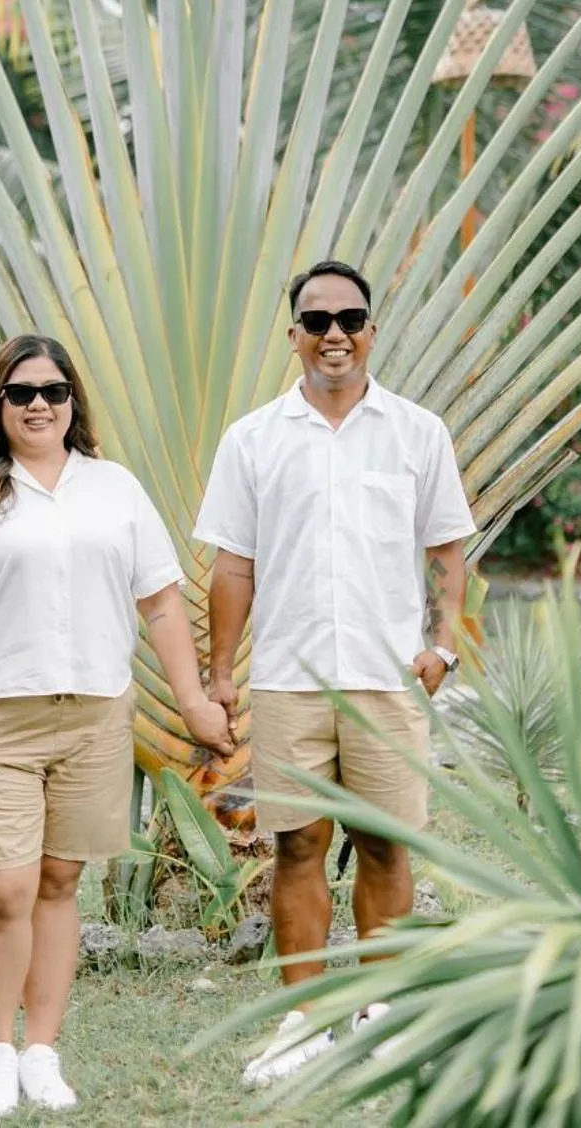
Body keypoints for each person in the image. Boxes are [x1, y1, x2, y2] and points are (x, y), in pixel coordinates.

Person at [0, 333, 233, 1120]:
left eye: (53, 390)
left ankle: (42, 1051)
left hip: (93, 716)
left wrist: (190, 703)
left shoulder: (112, 488)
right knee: (3, 892)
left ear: (73, 401)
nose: (38, 404)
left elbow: (158, 601)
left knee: (58, 883)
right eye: (21, 393)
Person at [193, 259, 475, 1089]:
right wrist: (218, 674)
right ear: (294, 337)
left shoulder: (416, 431)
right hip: (289, 674)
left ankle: (383, 1011)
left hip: (388, 676)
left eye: (350, 318)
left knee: (386, 842)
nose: (335, 335)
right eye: (317, 321)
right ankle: (304, 1021)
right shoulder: (253, 439)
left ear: (371, 331)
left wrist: (443, 642)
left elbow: (448, 551)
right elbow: (232, 567)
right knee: (298, 845)